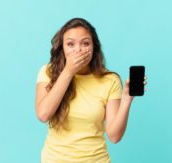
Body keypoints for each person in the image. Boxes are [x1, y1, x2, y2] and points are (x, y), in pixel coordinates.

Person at [35, 18, 147, 163]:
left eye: (85, 43)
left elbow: (114, 136)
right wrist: (68, 71)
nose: (78, 50)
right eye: (70, 44)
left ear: (94, 47)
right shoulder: (48, 72)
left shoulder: (110, 80)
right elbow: (43, 114)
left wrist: (126, 99)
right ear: (62, 48)